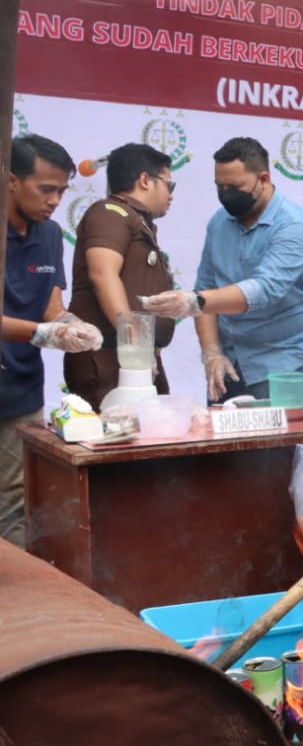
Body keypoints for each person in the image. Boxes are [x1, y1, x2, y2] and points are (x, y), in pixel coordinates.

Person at [142, 137, 303, 403]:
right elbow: (206, 286)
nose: (226, 194)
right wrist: (212, 353)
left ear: (263, 179)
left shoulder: (295, 225)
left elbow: (264, 289)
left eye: (235, 187)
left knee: (273, 431)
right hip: (228, 361)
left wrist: (194, 301)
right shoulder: (219, 222)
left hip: (283, 360)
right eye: (220, 186)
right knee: (219, 429)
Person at [2, 134, 101, 548]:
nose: (55, 200)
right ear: (11, 181)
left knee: (15, 501)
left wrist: (69, 326)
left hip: (20, 392)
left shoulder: (50, 234)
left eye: (62, 191)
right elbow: (38, 327)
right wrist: (41, 333)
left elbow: (50, 307)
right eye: (46, 189)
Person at [63, 143, 178, 409]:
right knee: (113, 434)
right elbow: (103, 274)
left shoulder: (135, 219)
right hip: (109, 359)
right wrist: (134, 341)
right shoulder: (110, 213)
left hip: (134, 360)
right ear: (145, 180)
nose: (171, 195)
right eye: (169, 185)